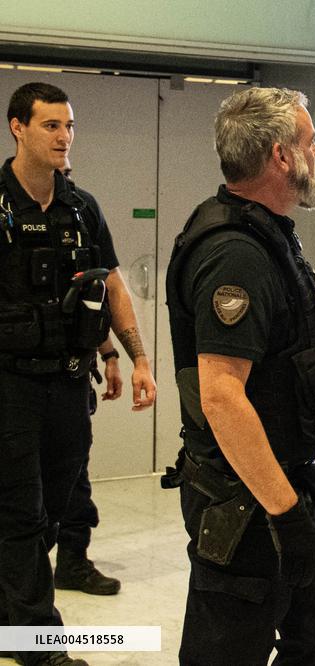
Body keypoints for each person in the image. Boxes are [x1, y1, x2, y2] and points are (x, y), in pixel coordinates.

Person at [163, 87, 315, 665]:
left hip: (282, 486)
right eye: (310, 141)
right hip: (245, 502)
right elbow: (222, 396)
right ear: (282, 156)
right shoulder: (235, 253)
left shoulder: (268, 232)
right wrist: (285, 514)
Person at [0, 82, 156, 666]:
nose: (65, 136)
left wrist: (134, 357)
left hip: (68, 381)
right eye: (51, 125)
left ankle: (10, 614)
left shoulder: (82, 208)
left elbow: (108, 283)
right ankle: (39, 643)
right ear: (17, 127)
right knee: (20, 510)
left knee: (55, 507)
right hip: (10, 383)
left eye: (69, 126)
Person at [52, 161, 123, 597]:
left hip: (72, 375)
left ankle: (73, 562)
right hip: (19, 379)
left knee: (75, 473)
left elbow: (92, 300)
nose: (64, 177)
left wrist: (111, 354)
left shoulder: (81, 214)